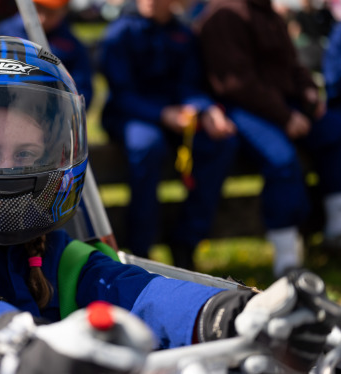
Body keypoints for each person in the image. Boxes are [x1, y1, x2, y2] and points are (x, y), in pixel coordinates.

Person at [0, 36, 334, 374]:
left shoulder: (61, 259)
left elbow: (141, 294)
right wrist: (16, 350)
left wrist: (226, 314)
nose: (7, 170)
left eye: (26, 155)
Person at [194, 0, 341, 277]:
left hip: (283, 103)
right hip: (244, 107)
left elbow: (292, 64)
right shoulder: (223, 16)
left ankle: (337, 228)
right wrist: (284, 116)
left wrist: (309, 91)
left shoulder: (266, 11)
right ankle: (287, 260)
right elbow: (236, 83)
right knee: (282, 160)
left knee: (334, 132)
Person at [97, 0, 237, 267]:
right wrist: (163, 114)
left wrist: (205, 109)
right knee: (147, 146)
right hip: (132, 114)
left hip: (177, 114)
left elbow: (191, 83)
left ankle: (187, 239)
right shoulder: (120, 33)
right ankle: (140, 250)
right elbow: (121, 93)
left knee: (222, 143)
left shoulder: (183, 34)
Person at [0, 0, 94, 108]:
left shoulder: (71, 45)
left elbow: (82, 87)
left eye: (51, 13)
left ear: (64, 11)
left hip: (50, 110)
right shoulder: (5, 32)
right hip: (7, 104)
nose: (42, 19)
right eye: (37, 9)